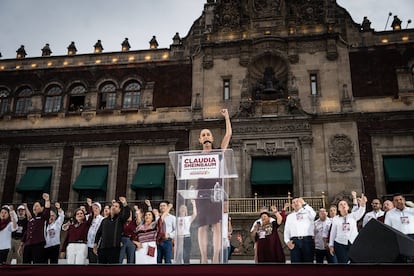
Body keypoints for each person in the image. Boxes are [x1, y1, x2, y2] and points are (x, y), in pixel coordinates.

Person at [196, 108, 232, 264]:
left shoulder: (218, 152)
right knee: (202, 225)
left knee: (216, 225)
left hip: (215, 193)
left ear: (212, 138)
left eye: (208, 134)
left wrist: (227, 117)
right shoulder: (194, 157)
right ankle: (203, 258)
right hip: (201, 194)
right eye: (203, 135)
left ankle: (216, 257)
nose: (206, 137)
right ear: (200, 140)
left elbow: (228, 134)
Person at [329, 193, 367, 263]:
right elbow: (333, 232)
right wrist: (331, 245)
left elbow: (361, 212)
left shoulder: (353, 216)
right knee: (343, 263)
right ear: (338, 208)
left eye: (345, 204)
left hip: (353, 242)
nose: (343, 205)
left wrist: (363, 205)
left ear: (348, 207)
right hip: (340, 243)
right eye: (341, 204)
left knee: (355, 262)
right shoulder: (335, 219)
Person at [93, 197, 131, 264]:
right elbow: (98, 233)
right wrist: (95, 244)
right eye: (113, 206)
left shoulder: (120, 219)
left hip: (114, 249)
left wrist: (125, 204)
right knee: (101, 270)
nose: (113, 207)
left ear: (119, 210)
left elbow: (126, 215)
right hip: (102, 249)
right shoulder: (104, 220)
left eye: (116, 206)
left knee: (112, 270)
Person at [19, 193, 51, 264]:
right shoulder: (31, 219)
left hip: (38, 245)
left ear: (42, 208)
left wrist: (47, 200)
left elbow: (47, 209)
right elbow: (27, 232)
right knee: (25, 264)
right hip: (27, 245)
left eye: (37, 206)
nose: (34, 207)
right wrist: (21, 245)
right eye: (34, 206)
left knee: (38, 264)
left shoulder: (43, 218)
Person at [283, 197, 316, 263]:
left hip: (307, 241)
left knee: (308, 264)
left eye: (297, 201)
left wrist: (305, 204)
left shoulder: (308, 212)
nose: (295, 203)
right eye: (293, 202)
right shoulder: (290, 216)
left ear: (301, 203)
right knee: (296, 265)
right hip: (295, 242)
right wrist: (287, 242)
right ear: (292, 205)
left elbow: (313, 214)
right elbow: (287, 230)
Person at [175, 199, 197, 264]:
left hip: (187, 237)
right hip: (179, 237)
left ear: (186, 210)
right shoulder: (176, 219)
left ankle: (186, 267)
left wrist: (194, 204)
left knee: (186, 254)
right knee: (178, 253)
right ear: (179, 210)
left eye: (184, 208)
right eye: (181, 208)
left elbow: (195, 214)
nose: (183, 209)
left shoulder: (188, 218)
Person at [86, 199, 103, 264]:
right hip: (88, 244)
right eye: (93, 208)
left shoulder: (102, 219)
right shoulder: (88, 217)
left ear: (99, 210)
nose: (95, 210)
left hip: (97, 245)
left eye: (96, 208)